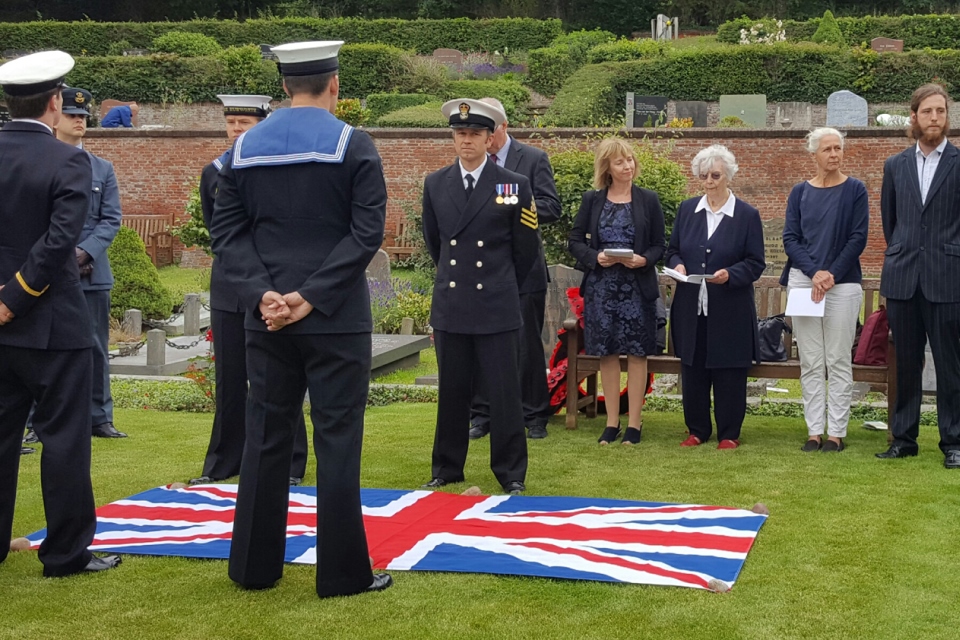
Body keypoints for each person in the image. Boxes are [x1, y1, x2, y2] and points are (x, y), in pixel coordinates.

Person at [209, 40, 391, 597]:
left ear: (285, 88)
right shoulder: (354, 144)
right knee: (337, 437)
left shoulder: (242, 150)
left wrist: (264, 294)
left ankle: (253, 568)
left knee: (265, 435)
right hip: (334, 316)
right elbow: (366, 233)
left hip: (265, 319)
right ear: (334, 84)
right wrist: (309, 296)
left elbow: (227, 235)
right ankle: (342, 575)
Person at [0, 50, 121, 576]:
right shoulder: (69, 161)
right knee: (65, 440)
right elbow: (57, 244)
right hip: (51, 323)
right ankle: (66, 552)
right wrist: (14, 298)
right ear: (54, 102)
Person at [420, 98, 540, 494]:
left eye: (474, 134)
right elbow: (436, 244)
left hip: (496, 303)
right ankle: (446, 468)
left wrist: (502, 285)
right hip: (453, 304)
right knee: (453, 392)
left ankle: (511, 473)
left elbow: (524, 250)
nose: (466, 141)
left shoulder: (511, 185)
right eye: (460, 134)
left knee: (504, 393)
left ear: (491, 139)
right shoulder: (436, 183)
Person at [190, 94, 309, 487]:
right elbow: (220, 232)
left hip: (275, 287)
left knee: (281, 377)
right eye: (232, 124)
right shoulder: (215, 171)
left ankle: (290, 463)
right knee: (230, 378)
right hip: (231, 287)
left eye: (245, 124)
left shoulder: (280, 169)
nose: (237, 130)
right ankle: (223, 461)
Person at [876, 84, 960, 468]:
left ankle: (954, 443)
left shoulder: (958, 164)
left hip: (947, 279)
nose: (935, 118)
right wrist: (903, 256)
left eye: (941, 111)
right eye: (928, 111)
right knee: (907, 363)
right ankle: (904, 438)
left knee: (949, 364)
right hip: (903, 278)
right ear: (914, 116)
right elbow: (891, 223)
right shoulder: (895, 166)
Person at [468, 98, 561, 441]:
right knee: (479, 343)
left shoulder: (532, 159)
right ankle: (482, 414)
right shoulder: (471, 161)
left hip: (523, 269)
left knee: (526, 345)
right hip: (481, 269)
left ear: (503, 127)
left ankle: (534, 414)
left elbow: (552, 206)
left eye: (489, 128)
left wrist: (511, 202)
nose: (483, 135)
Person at [665, 144, 765, 449]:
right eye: (704, 175)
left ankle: (728, 433)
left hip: (730, 307)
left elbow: (755, 262)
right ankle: (696, 429)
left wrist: (731, 275)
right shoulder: (687, 210)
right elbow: (672, 251)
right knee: (693, 368)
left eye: (716, 175)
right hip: (691, 306)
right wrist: (677, 265)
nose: (710, 181)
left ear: (728, 176)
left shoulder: (747, 215)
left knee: (729, 370)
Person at [568, 138, 666, 445]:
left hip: (637, 288)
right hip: (602, 289)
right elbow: (575, 241)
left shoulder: (648, 199)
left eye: (631, 160)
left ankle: (634, 425)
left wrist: (644, 259)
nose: (628, 166)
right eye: (620, 162)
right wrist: (594, 257)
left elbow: (660, 245)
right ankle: (611, 423)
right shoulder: (593, 199)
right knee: (607, 354)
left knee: (637, 354)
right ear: (607, 167)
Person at [782, 128, 869, 453]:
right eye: (827, 149)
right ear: (814, 154)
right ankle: (814, 431)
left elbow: (858, 237)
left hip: (843, 284)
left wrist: (830, 273)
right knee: (812, 360)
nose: (834, 154)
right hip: (805, 282)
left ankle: (836, 434)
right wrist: (814, 272)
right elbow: (790, 238)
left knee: (837, 359)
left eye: (838, 148)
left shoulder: (855, 190)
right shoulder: (799, 192)